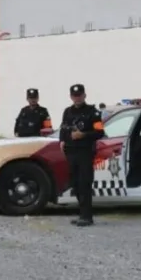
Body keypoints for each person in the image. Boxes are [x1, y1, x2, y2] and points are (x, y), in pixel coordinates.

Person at [59, 83, 105, 227]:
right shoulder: (68, 111)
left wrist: (83, 135)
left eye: (79, 96)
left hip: (85, 152)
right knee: (75, 184)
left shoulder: (93, 112)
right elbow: (63, 128)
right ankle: (81, 214)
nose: (77, 98)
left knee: (84, 183)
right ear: (71, 97)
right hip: (71, 152)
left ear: (84, 95)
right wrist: (62, 140)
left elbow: (100, 132)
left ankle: (87, 216)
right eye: (74, 96)